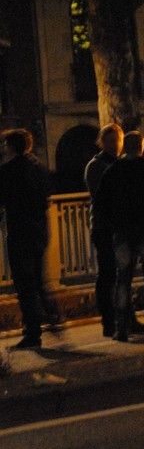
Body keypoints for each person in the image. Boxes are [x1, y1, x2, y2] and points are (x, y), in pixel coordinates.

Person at [96, 130, 144, 341]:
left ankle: (121, 328)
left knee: (123, 279)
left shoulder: (113, 171)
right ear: (140, 146)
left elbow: (101, 202)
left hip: (122, 231)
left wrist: (114, 223)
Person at [0, 129, 61, 349]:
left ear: (11, 146)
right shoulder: (38, 168)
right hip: (38, 231)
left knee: (25, 285)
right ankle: (53, 316)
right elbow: (46, 198)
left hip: (19, 233)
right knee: (38, 279)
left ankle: (32, 332)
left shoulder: (7, 172)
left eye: (5, 144)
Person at [84, 123, 144, 337]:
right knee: (108, 275)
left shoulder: (119, 163)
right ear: (102, 142)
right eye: (109, 141)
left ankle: (128, 319)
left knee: (124, 275)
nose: (113, 145)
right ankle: (109, 321)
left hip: (121, 226)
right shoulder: (96, 166)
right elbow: (102, 197)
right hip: (105, 227)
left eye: (116, 141)